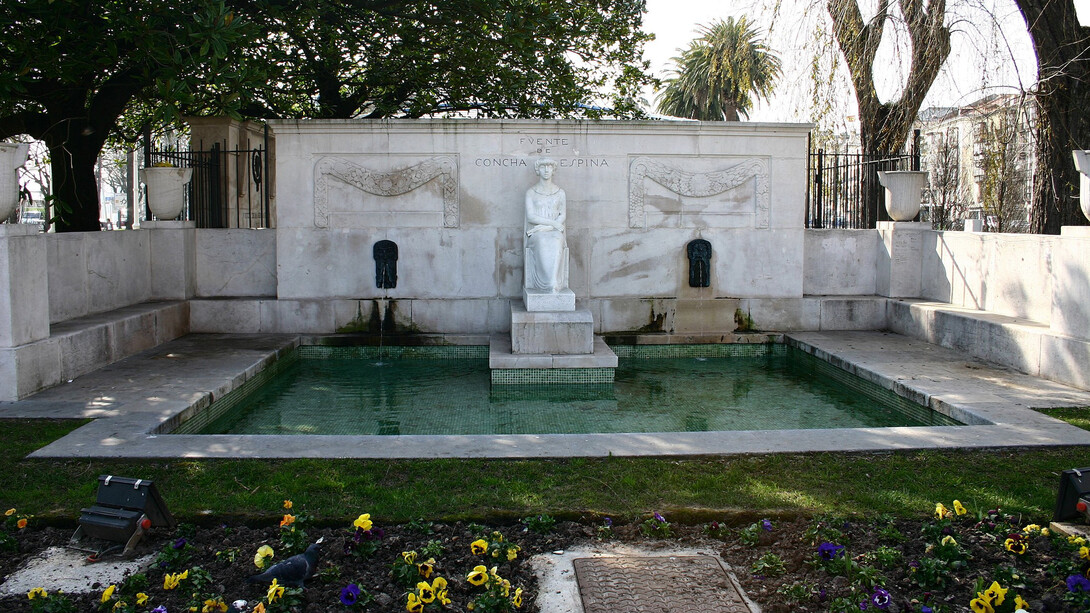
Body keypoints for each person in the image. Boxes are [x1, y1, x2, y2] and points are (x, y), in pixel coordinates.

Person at [524, 158, 568, 293]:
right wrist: (553, 223)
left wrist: (552, 227)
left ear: (553, 170)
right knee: (543, 240)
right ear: (538, 170)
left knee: (555, 240)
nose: (547, 170)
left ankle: (553, 281)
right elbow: (531, 216)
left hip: (554, 231)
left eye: (549, 167)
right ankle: (548, 282)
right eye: (543, 167)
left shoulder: (560, 192)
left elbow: (563, 214)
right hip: (536, 232)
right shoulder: (531, 192)